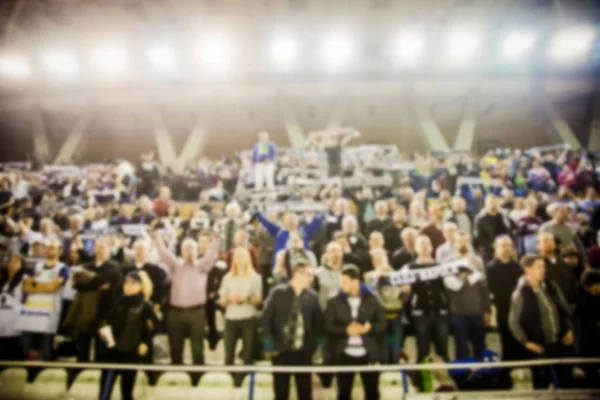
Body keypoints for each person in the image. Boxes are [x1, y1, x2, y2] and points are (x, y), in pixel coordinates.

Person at [152, 228, 220, 373]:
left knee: (197, 347)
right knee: (175, 347)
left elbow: (212, 254)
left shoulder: (203, 266)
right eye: (186, 248)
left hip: (196, 314)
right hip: (175, 314)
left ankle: (197, 377)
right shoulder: (175, 265)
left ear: (196, 251)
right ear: (181, 251)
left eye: (192, 248)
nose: (189, 251)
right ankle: (176, 377)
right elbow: (164, 254)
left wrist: (217, 238)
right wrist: (157, 238)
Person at [508, 254, 575, 389]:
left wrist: (569, 329)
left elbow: (564, 309)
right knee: (542, 383)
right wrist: (527, 342)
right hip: (541, 346)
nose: (543, 270)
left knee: (566, 381)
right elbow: (513, 322)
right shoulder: (520, 293)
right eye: (539, 267)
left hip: (561, 342)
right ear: (528, 269)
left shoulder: (551, 286)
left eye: (543, 267)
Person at [262, 262, 323, 400]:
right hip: (280, 352)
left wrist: (310, 349)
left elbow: (318, 326)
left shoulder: (313, 297)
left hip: (303, 354)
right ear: (297, 274)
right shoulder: (277, 293)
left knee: (305, 394)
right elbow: (265, 320)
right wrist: (272, 346)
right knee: (281, 394)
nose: (311, 279)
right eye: (309, 275)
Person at [325, 264, 385, 400]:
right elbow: (327, 327)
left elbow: (382, 325)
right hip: (344, 355)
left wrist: (369, 327)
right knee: (343, 394)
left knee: (373, 394)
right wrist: (346, 330)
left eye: (344, 282)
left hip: (369, 354)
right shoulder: (333, 301)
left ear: (356, 281)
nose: (341, 285)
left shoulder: (373, 298)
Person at [97, 271, 157, 400]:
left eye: (133, 284)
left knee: (127, 392)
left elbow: (153, 328)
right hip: (112, 352)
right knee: (104, 393)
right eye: (126, 283)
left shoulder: (145, 305)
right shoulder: (119, 301)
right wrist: (103, 330)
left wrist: (144, 343)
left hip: (131, 353)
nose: (128, 286)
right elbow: (106, 320)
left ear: (141, 286)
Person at [65, 236, 121, 364]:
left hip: (105, 313)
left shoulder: (114, 266)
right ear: (94, 249)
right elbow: (77, 285)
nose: (100, 250)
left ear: (109, 250)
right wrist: (98, 285)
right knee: (82, 350)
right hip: (86, 312)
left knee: (102, 352)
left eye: (103, 247)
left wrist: (88, 282)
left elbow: (105, 279)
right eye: (98, 247)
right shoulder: (86, 266)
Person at [19, 239, 70, 360]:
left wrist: (36, 285)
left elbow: (53, 287)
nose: (50, 249)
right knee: (25, 346)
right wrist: (45, 286)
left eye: (53, 247)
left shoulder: (63, 268)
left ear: (60, 251)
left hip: (49, 311)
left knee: (46, 348)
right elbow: (26, 287)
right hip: (31, 310)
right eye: (48, 247)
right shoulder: (37, 266)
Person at [443, 232, 490, 360]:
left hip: (477, 311)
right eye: (459, 241)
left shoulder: (477, 261)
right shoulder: (448, 262)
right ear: (455, 243)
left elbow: (483, 287)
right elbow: (448, 287)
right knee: (462, 348)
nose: (462, 244)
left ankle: (481, 375)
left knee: (480, 346)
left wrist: (487, 310)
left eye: (465, 241)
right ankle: (463, 377)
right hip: (458, 312)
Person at [406, 235, 450, 362]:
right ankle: (421, 380)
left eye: (427, 244)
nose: (425, 247)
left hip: (440, 311)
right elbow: (405, 291)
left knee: (443, 349)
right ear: (416, 248)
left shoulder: (441, 266)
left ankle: (447, 378)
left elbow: (448, 286)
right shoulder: (409, 268)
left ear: (431, 247)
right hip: (421, 313)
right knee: (422, 350)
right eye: (422, 244)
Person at [219, 248, 262, 369]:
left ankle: (246, 381)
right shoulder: (227, 278)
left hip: (248, 319)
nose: (239, 259)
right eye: (237, 256)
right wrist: (229, 299)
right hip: (231, 319)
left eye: (242, 256)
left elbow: (259, 300)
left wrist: (246, 299)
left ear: (248, 258)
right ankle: (229, 379)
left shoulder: (255, 278)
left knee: (248, 356)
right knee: (228, 356)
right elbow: (221, 301)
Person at [486, 236, 525, 367]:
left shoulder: (518, 267)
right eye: (503, 245)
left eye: (508, 245)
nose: (506, 248)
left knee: (519, 338)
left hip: (519, 309)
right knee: (506, 339)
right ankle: (508, 367)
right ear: (496, 249)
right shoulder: (490, 268)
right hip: (502, 309)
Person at [256, 211, 324, 270]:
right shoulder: (279, 231)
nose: (291, 221)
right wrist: (258, 214)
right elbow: (267, 224)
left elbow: (316, 223)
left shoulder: (303, 231)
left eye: (294, 219)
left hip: (302, 265)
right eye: (289, 219)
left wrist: (324, 212)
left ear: (297, 221)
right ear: (284, 221)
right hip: (282, 266)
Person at [537, 232, 579, 308]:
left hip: (569, 304)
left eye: (551, 240)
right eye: (545, 241)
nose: (549, 243)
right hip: (550, 306)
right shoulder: (536, 265)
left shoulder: (564, 262)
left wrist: (574, 301)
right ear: (538, 246)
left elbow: (573, 283)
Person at [0, 253, 27, 360]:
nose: (13, 263)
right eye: (11, 260)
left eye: (17, 261)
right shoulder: (2, 280)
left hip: (16, 324)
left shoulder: (25, 280)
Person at [474, 194, 512, 262]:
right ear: (486, 204)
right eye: (491, 201)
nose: (493, 203)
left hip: (504, 250)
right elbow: (478, 237)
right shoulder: (481, 219)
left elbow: (509, 231)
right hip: (489, 252)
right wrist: (493, 244)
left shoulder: (503, 217)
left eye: (495, 201)